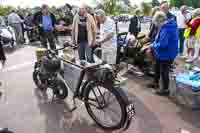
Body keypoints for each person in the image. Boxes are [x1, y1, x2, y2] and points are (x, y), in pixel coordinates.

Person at [150, 11, 178, 96]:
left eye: (156, 23)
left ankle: (165, 90)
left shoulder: (166, 28)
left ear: (159, 21)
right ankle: (156, 83)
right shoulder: (167, 25)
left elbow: (163, 44)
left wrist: (153, 45)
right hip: (167, 52)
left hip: (167, 53)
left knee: (164, 71)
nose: (157, 25)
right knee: (158, 67)